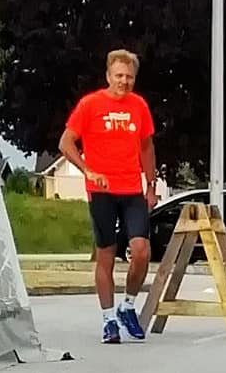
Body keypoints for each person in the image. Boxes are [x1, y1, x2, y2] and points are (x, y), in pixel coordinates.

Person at [58, 49, 158, 344]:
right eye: (119, 76)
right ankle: (108, 319)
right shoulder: (90, 104)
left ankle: (128, 305)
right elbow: (66, 143)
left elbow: (147, 147)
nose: (124, 81)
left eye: (129, 77)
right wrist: (87, 170)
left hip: (132, 190)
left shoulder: (139, 105)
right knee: (106, 255)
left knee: (141, 250)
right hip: (101, 191)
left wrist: (151, 185)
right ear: (108, 76)